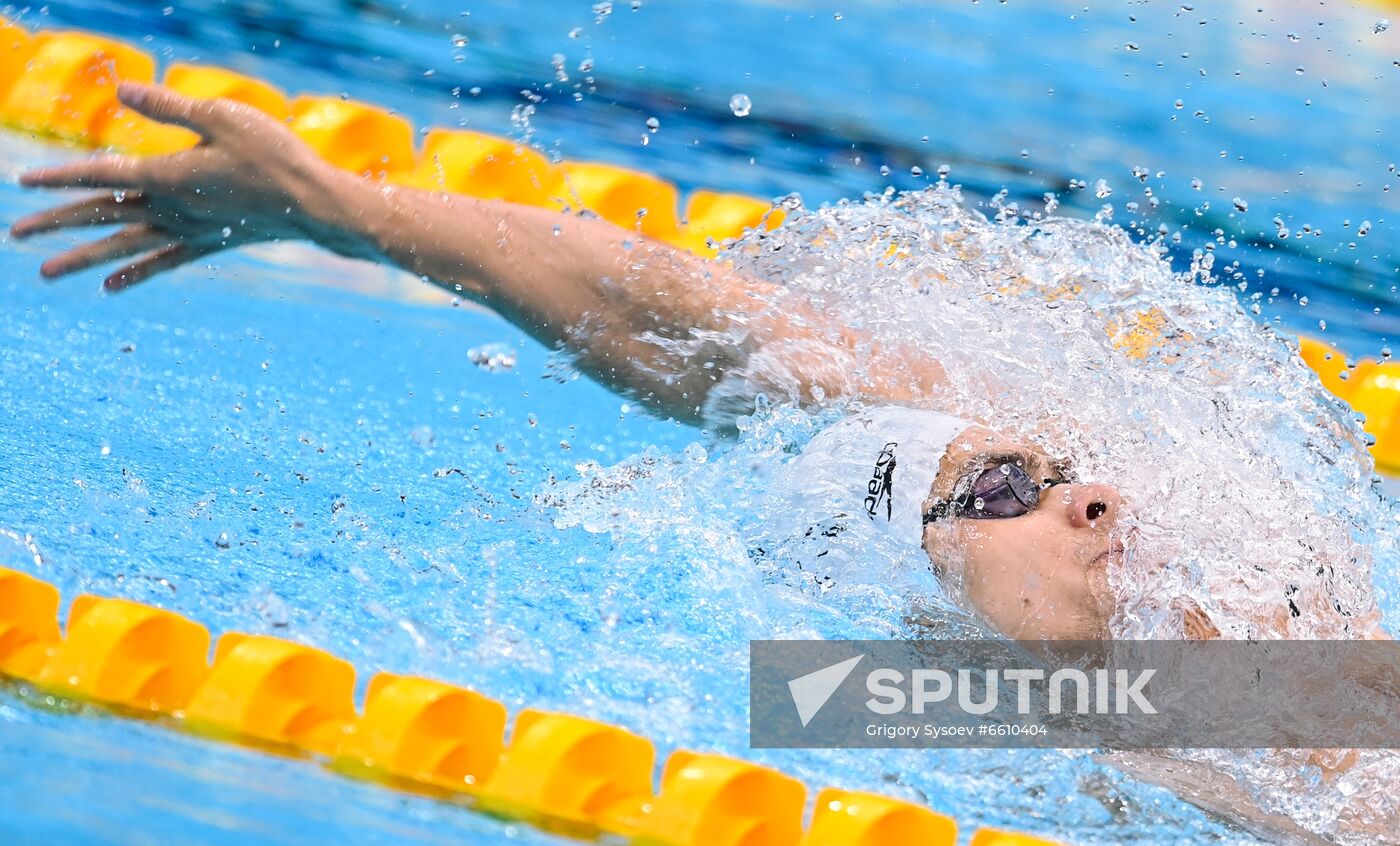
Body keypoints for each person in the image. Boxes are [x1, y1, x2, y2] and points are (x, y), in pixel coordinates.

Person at [12, 82, 1400, 843]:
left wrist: (345, 205)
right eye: (998, 495)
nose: (1089, 492)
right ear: (930, 627)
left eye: (1046, 464)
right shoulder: (955, 717)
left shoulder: (1229, 551)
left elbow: (677, 319)